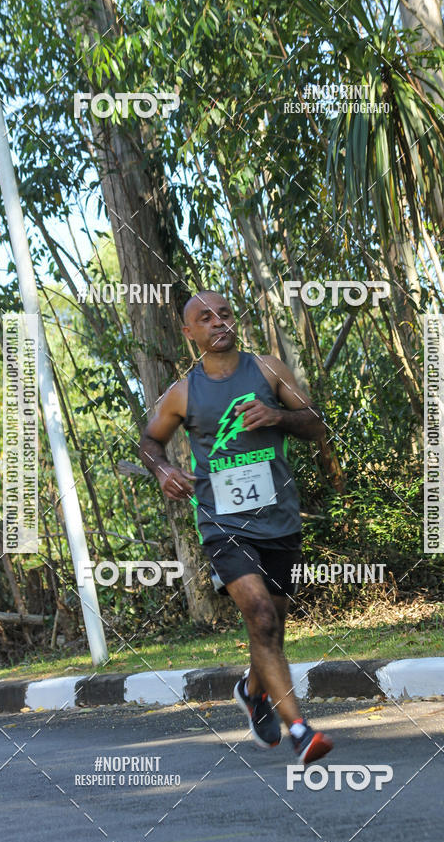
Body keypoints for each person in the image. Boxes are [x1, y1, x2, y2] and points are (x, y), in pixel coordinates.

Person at [139, 290, 333, 764]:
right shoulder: (183, 392)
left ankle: (252, 690)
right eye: (205, 318)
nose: (218, 322)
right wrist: (163, 470)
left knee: (273, 626)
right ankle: (301, 731)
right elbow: (149, 442)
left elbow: (316, 423)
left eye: (224, 314)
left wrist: (278, 415)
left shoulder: (267, 369)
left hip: (279, 516)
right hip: (222, 522)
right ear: (190, 333)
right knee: (261, 617)